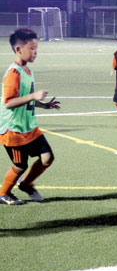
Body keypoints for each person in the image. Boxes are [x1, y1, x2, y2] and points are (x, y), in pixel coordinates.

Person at [0, 28, 60, 205]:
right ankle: (3, 193)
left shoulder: (27, 71)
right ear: (19, 49)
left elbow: (26, 99)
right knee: (20, 165)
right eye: (32, 48)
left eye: (36, 48)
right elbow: (9, 102)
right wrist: (34, 96)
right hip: (14, 129)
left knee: (47, 157)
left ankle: (26, 184)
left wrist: (44, 105)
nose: (35, 52)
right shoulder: (14, 73)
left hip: (29, 126)